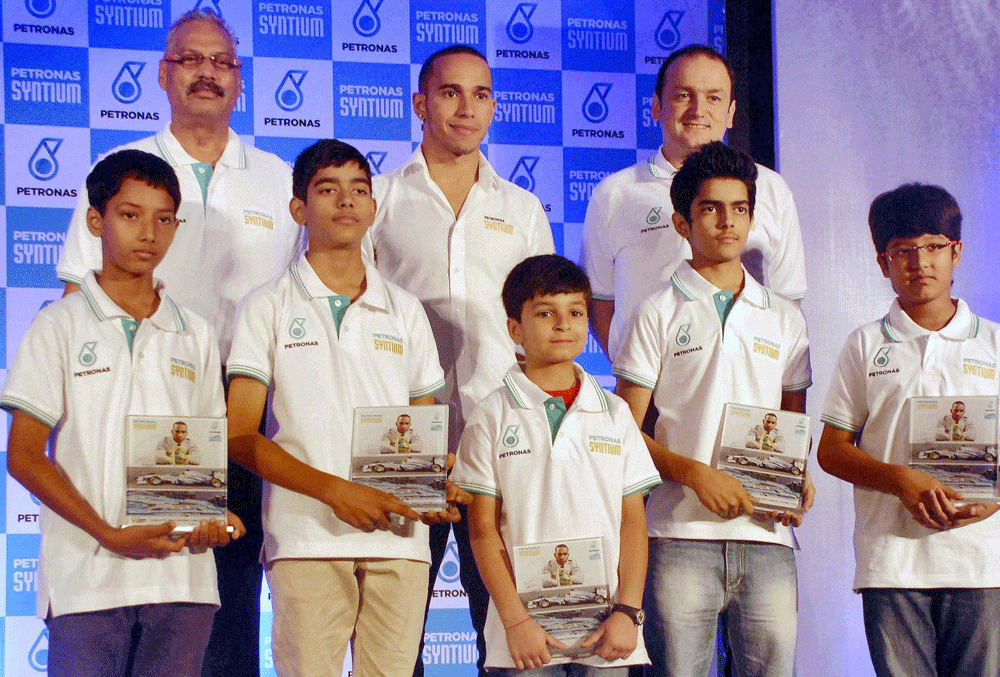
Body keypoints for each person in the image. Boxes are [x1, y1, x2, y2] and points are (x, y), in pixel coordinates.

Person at [56, 12, 302, 675]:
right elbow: (78, 299)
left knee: (229, 594)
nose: (207, 73)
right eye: (190, 59)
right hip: (143, 402)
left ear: (240, 81)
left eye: (222, 62)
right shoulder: (123, 169)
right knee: (143, 588)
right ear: (163, 74)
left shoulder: (280, 180)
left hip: (248, 409)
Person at [225, 140, 471, 677]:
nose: (347, 201)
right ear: (298, 209)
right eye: (328, 189)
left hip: (400, 540)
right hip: (305, 536)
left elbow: (422, 425)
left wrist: (435, 481)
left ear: (373, 208)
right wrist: (335, 491)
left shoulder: (406, 310)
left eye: (360, 189)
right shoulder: (265, 305)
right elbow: (239, 434)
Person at [2, 149, 244, 677]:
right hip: (86, 579)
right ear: (96, 220)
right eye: (130, 215)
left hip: (183, 581)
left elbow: (203, 456)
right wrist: (108, 533)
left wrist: (206, 518)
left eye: (163, 219)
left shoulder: (196, 333)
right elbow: (22, 456)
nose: (148, 234)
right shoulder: (58, 325)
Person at [366, 44, 555, 676]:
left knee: (508, 631)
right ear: (420, 104)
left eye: (480, 94)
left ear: (495, 106)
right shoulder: (379, 200)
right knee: (395, 636)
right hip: (400, 441)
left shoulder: (522, 209)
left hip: (499, 440)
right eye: (450, 92)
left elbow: (545, 330)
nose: (466, 107)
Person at [612, 142, 813, 677]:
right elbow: (625, 432)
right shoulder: (654, 311)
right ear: (681, 221)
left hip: (768, 534)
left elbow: (792, 427)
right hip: (679, 535)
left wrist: (799, 478)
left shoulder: (786, 319)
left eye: (740, 208)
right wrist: (695, 474)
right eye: (710, 208)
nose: (728, 222)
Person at [817, 183, 1000, 677]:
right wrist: (900, 479)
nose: (920, 262)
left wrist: (996, 495)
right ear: (883, 263)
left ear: (957, 251)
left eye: (934, 246)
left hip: (981, 562)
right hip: (891, 562)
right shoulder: (864, 344)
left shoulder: (994, 344)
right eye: (903, 251)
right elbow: (832, 451)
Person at [452, 254, 661, 674]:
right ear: (515, 329)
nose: (563, 324)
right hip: (526, 636)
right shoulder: (491, 415)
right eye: (545, 313)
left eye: (576, 312)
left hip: (607, 633)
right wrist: (516, 620)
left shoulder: (615, 414)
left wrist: (628, 611)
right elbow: (481, 530)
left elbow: (633, 523)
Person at [581, 45, 807, 361]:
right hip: (648, 395)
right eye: (683, 95)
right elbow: (600, 302)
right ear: (657, 106)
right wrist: (635, 372)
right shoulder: (615, 193)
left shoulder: (770, 188)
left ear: (730, 113)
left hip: (748, 392)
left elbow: (788, 302)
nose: (698, 110)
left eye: (714, 98)